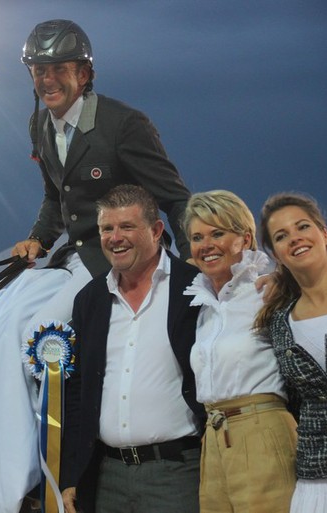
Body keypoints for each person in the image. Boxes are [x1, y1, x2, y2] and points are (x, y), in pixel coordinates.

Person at [61, 184, 204, 513]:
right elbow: (78, 392)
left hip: (178, 474)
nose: (115, 237)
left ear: (156, 230)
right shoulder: (90, 299)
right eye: (106, 228)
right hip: (107, 476)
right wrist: (71, 474)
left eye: (126, 226)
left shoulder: (194, 288)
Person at [15, 19, 192, 279]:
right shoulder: (38, 124)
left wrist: (190, 257)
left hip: (126, 258)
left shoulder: (124, 124)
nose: (48, 80)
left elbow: (176, 199)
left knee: (46, 320)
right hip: (73, 257)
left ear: (83, 74)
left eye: (59, 69)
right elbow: (57, 195)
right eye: (40, 70)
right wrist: (38, 239)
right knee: (10, 306)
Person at [183, 190, 297, 512]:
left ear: (245, 239)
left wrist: (287, 281)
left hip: (262, 433)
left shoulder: (269, 291)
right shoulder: (203, 305)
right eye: (197, 237)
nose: (206, 245)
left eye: (218, 233)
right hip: (214, 438)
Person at [254, 192, 327, 512]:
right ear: (275, 253)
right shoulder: (276, 323)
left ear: (324, 233)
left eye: (302, 226)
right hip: (317, 485)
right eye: (281, 236)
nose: (295, 238)